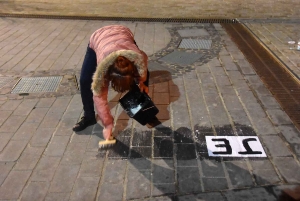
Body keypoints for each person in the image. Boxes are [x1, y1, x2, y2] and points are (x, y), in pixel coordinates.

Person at [73, 25, 149, 141]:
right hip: (98, 38)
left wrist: (142, 82)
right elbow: (100, 98)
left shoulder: (137, 57)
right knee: (85, 80)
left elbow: (143, 65)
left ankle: (141, 102)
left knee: (141, 80)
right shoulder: (102, 70)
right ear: (108, 76)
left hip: (123, 33)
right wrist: (108, 125)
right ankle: (89, 117)